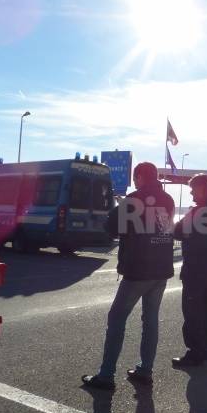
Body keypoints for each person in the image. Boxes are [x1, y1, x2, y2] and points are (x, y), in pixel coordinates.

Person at [82, 162, 175, 390]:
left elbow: (111, 228)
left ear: (142, 176)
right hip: (161, 269)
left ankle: (106, 375)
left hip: (138, 269)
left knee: (116, 319)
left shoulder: (134, 199)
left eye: (136, 177)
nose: (134, 181)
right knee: (150, 321)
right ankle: (145, 370)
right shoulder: (169, 200)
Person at [171, 173, 207, 367]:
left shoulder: (200, 211)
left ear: (202, 189)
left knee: (193, 309)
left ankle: (196, 352)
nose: (190, 191)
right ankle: (206, 348)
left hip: (196, 267)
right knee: (206, 308)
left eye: (193, 188)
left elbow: (177, 231)